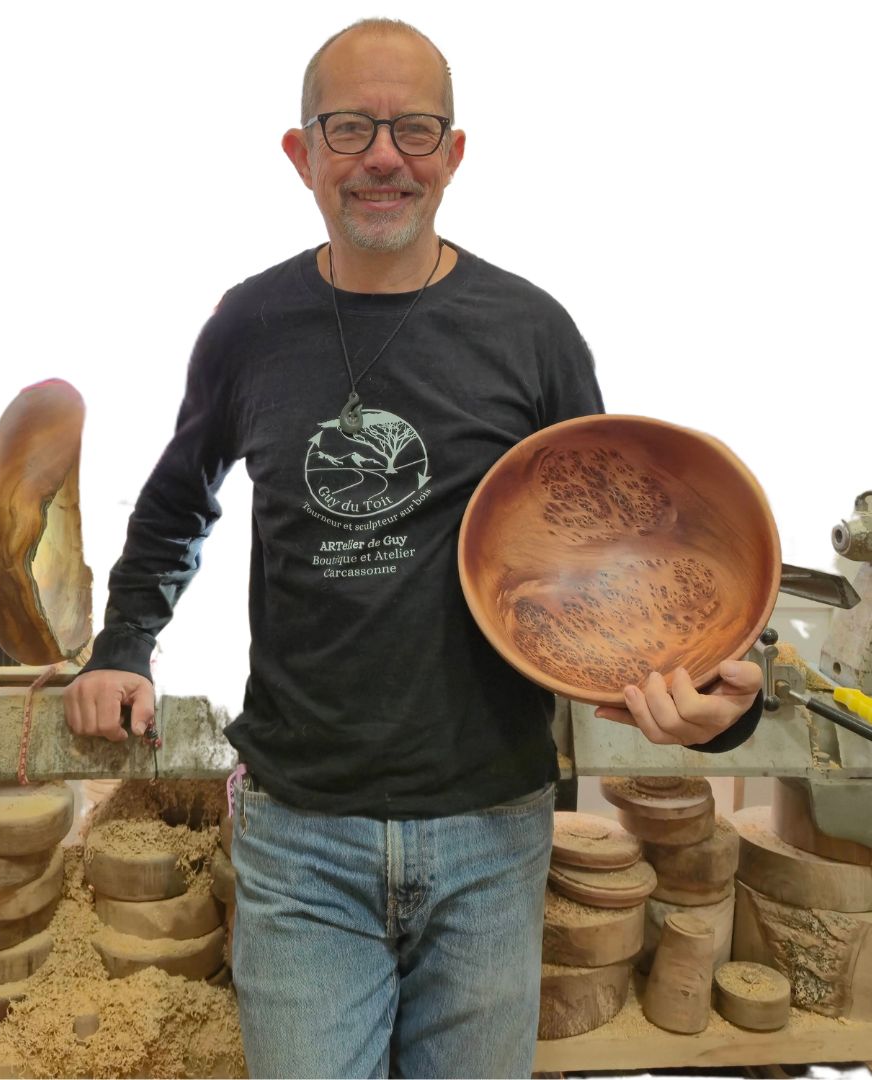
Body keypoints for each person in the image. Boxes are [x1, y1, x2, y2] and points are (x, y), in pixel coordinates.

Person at [64, 19, 763, 1078]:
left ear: (454, 153)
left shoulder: (531, 332)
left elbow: (627, 553)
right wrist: (124, 641)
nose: (383, 155)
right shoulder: (249, 325)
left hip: (493, 829)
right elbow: (174, 504)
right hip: (303, 834)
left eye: (414, 129)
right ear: (302, 154)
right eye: (350, 128)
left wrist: (721, 711)